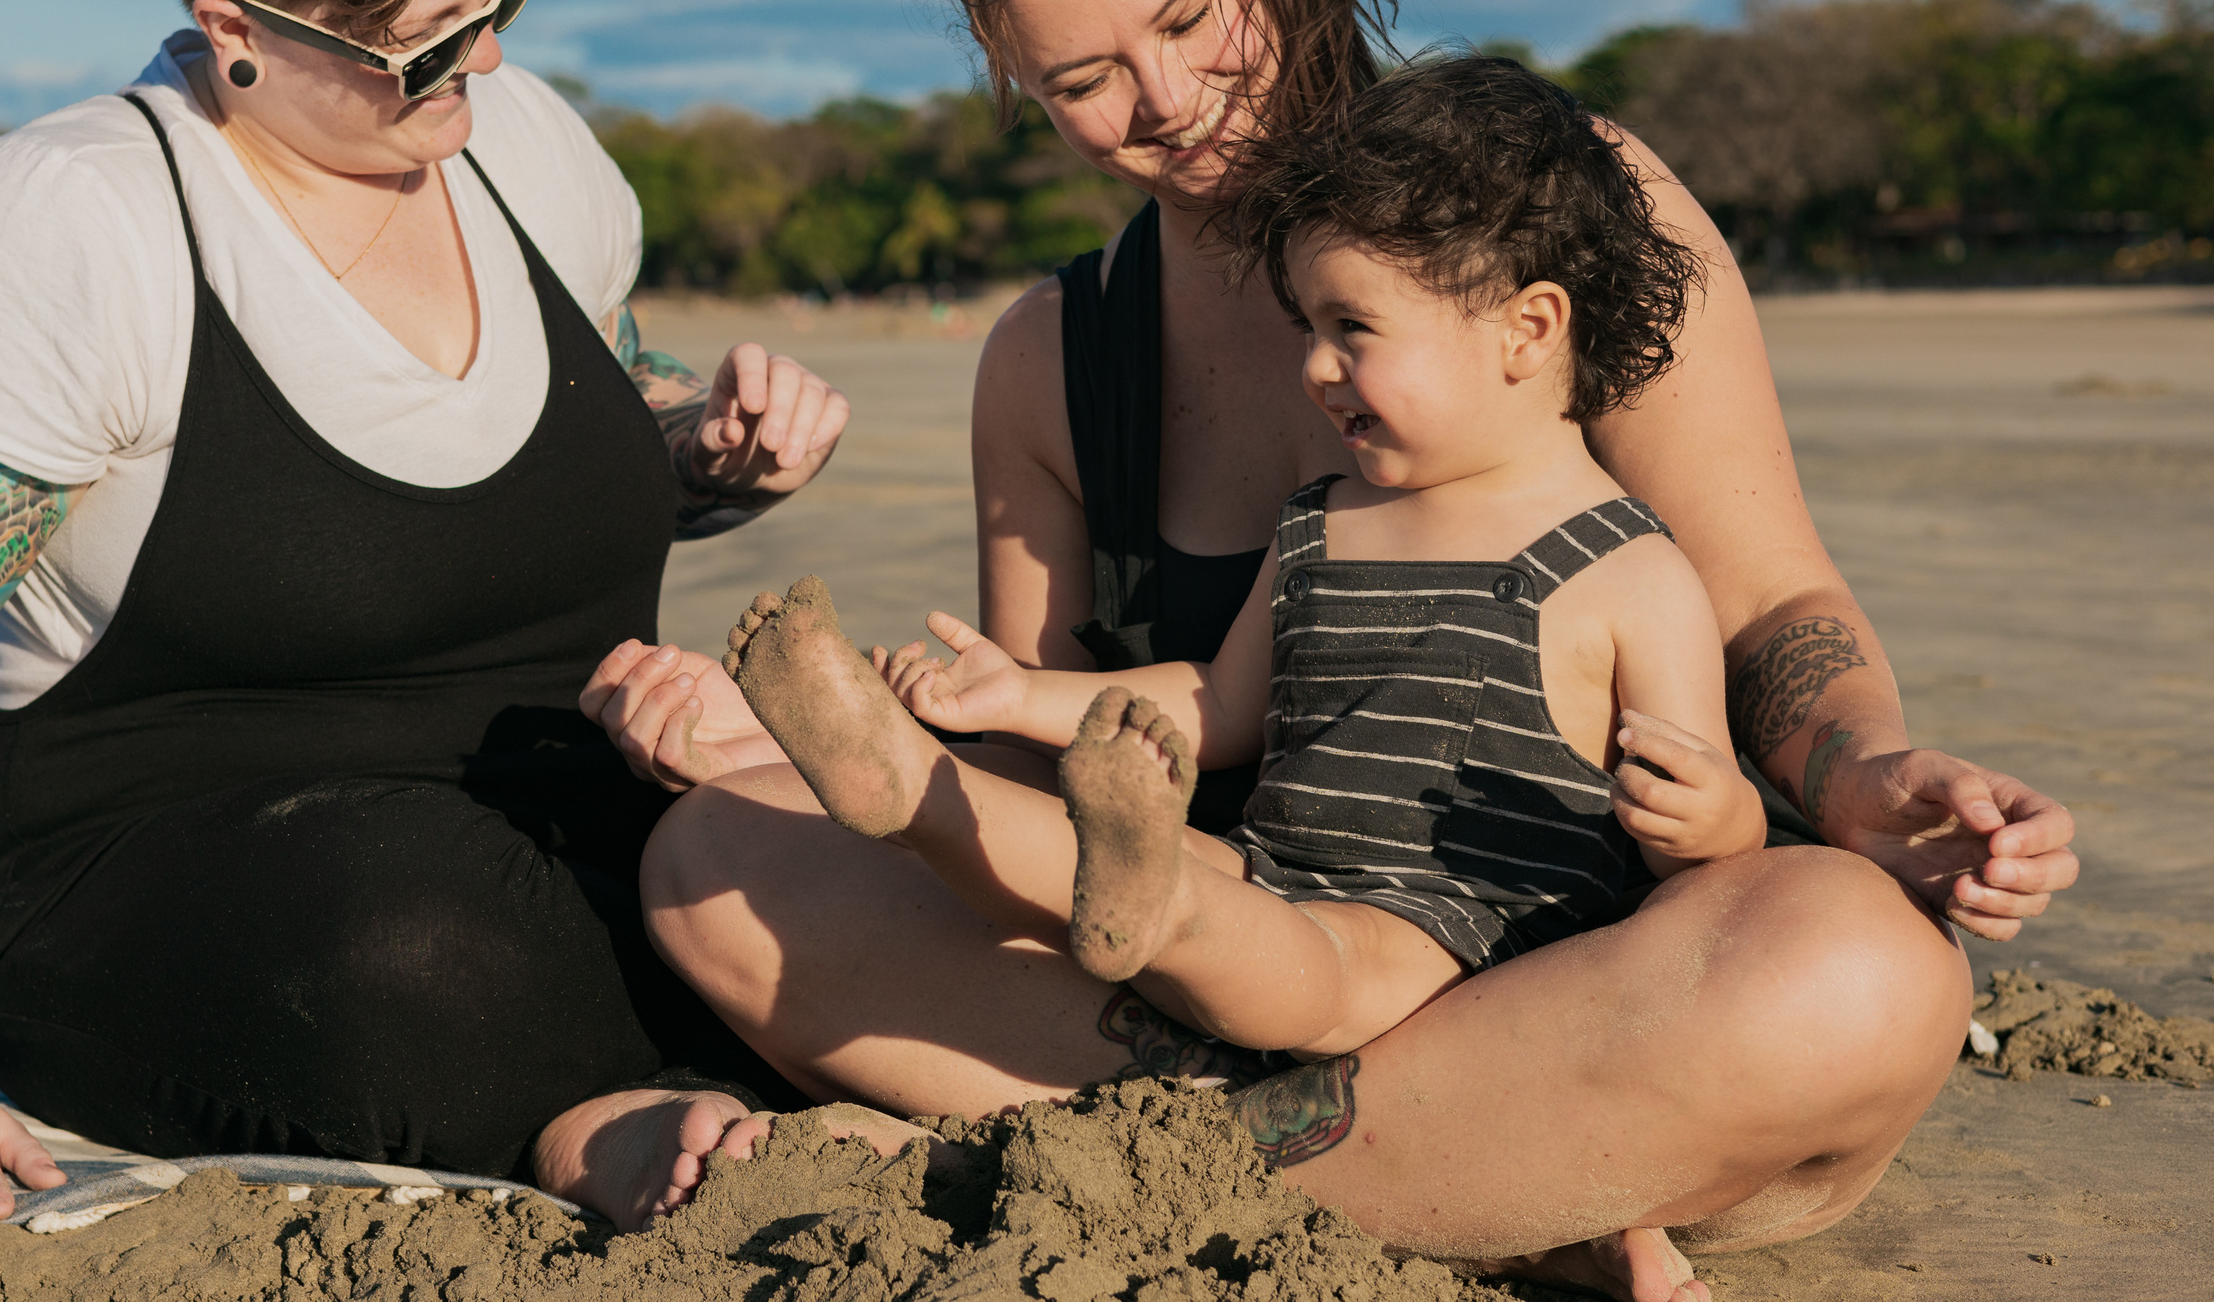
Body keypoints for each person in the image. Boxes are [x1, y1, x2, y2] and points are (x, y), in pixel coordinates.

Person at [587, 0, 2080, 1300]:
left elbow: (1771, 602)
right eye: (1083, 76)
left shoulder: (1555, 205)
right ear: (1016, 79)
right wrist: (790, 752)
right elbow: (1061, 762)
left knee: (1858, 973)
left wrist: (1861, 772)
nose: (1163, 101)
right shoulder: (1048, 363)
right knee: (712, 864)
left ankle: (1059, 1163)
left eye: (1189, 15)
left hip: (1585, 979)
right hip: (1240, 956)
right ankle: (1471, 1186)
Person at [0, 0, 914, 1238]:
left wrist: (713, 445)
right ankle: (595, 1125)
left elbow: (604, 416)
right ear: (237, 30)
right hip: (198, 877)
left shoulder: (525, 143)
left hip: (564, 799)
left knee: (863, 820)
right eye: (422, 40)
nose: (485, 55)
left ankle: (674, 1070)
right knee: (421, 945)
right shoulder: (63, 226)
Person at [722, 55, 1769, 1066]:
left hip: (1459, 943)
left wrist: (1710, 817)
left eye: (1351, 327)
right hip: (1269, 871)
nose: (1314, 367)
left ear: (1526, 329)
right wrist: (1017, 696)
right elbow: (1215, 704)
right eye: (1307, 325)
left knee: (1319, 955)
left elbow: (1705, 834)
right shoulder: (1323, 520)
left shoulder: (1628, 568)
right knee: (1130, 863)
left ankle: (1159, 907)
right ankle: (919, 792)